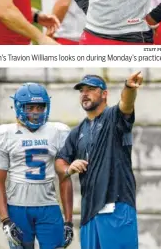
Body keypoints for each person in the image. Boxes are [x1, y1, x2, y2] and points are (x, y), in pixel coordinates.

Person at [55, 72, 143, 249]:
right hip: (89, 214)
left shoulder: (114, 117)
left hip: (116, 207)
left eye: (91, 89)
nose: (84, 93)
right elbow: (60, 161)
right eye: (81, 90)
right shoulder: (77, 131)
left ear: (104, 94)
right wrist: (68, 169)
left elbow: (126, 104)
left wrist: (128, 88)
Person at [0, 82, 74, 249]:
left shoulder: (58, 132)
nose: (36, 112)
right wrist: (5, 220)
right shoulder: (5, 134)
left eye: (40, 107)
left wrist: (69, 221)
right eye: (30, 107)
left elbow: (64, 178)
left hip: (49, 207)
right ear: (19, 107)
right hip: (18, 208)